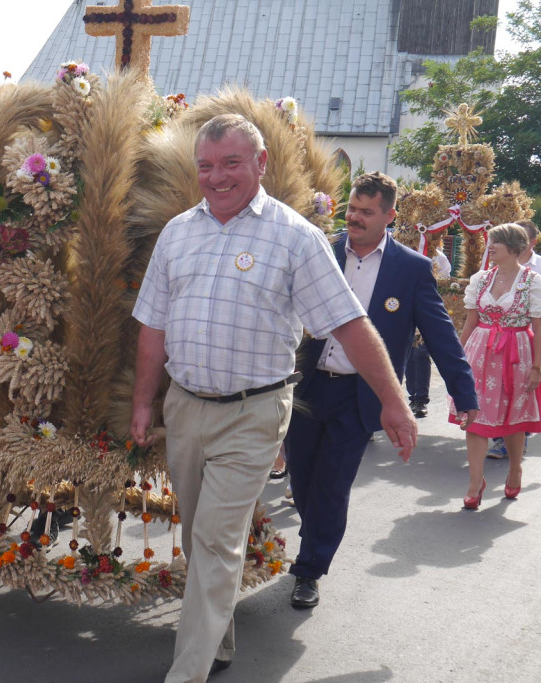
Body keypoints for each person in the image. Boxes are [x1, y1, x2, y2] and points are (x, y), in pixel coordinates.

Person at [130, 115, 418, 682]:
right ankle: (217, 644)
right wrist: (144, 402)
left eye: (231, 163)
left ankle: (186, 673)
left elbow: (349, 323)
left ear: (260, 163)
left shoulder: (296, 238)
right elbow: (152, 327)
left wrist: (394, 400)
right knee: (197, 533)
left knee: (216, 539)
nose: (216, 177)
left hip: (253, 412)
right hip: (185, 407)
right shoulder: (177, 233)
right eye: (206, 166)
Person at [285, 172, 478, 610]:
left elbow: (441, 336)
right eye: (352, 209)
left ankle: (310, 567)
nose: (354, 217)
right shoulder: (322, 250)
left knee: (332, 485)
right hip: (307, 387)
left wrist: (463, 393)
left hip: (360, 395)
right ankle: (312, 534)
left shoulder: (411, 269)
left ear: (389, 216)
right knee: (302, 477)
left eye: (366, 212)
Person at [451, 223, 541, 509]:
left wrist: (537, 367)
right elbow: (470, 322)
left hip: (517, 354)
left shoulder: (533, 282)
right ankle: (475, 482)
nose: (489, 248)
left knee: (513, 418)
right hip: (480, 352)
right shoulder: (480, 279)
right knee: (473, 415)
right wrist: (456, 359)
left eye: (495, 243)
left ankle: (515, 469)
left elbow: (539, 328)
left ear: (513, 247)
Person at [487, 219, 539, 459]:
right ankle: (499, 439)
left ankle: (517, 439)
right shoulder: (488, 274)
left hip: (524, 339)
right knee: (496, 392)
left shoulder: (536, 274)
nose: (491, 246)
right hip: (495, 342)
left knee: (519, 392)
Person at [406, 248, 453, 417]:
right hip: (405, 307)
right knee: (409, 353)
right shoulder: (402, 250)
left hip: (426, 309)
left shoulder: (438, 256)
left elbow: (445, 282)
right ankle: (413, 396)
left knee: (421, 353)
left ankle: (421, 399)